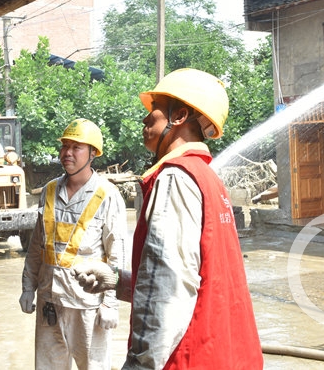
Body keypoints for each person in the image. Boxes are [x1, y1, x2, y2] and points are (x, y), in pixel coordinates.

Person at [72, 68, 263, 369]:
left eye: (155, 110)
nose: (145, 118)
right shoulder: (207, 179)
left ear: (179, 116)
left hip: (191, 359)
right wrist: (117, 281)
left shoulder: (175, 178)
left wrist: (138, 365)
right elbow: (189, 279)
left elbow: (169, 288)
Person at [20, 118, 127, 370]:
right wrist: (27, 287)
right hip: (49, 301)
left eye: (76, 147)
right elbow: (37, 247)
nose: (67, 153)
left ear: (92, 154)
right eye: (65, 146)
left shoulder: (107, 195)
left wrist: (111, 303)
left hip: (87, 305)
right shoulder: (48, 191)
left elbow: (117, 254)